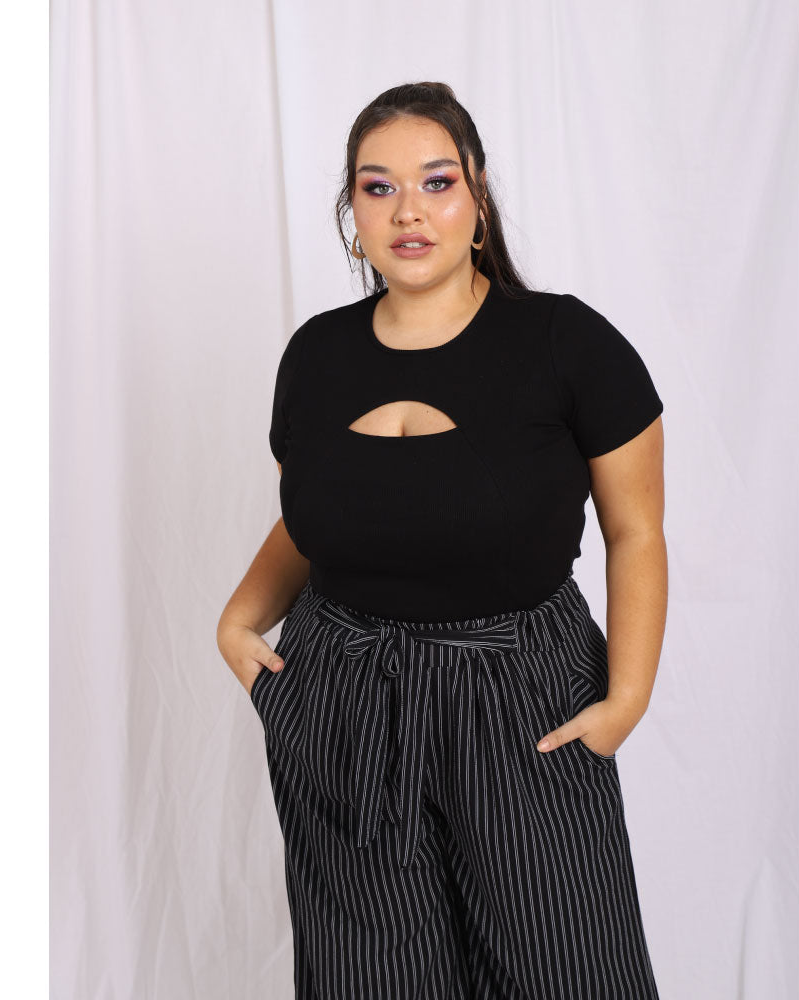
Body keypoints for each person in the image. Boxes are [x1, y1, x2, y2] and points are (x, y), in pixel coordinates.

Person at [217, 81, 667, 999]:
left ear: (478, 195)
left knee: (570, 970)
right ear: (352, 213)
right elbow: (320, 519)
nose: (408, 211)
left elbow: (636, 530)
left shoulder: (566, 343)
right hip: (344, 699)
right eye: (377, 187)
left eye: (436, 182)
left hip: (520, 698)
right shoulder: (317, 356)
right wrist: (239, 619)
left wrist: (626, 698)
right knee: (372, 979)